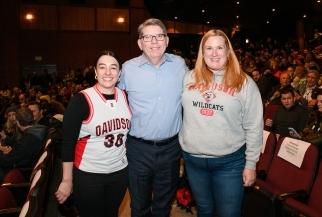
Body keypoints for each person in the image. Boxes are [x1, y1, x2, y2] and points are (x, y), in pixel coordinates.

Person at [178, 29, 263, 217]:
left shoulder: (245, 83)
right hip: (193, 161)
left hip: (229, 163)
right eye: (209, 48)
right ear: (202, 52)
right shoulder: (189, 78)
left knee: (229, 213)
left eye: (219, 48)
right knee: (205, 210)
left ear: (228, 51)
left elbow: (254, 127)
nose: (214, 53)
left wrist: (251, 164)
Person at [117, 18, 188, 217]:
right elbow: (113, 102)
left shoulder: (180, 65)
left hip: (171, 150)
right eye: (148, 37)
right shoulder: (127, 69)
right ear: (140, 43)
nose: (154, 41)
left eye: (159, 36)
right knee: (139, 207)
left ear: (167, 41)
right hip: (138, 150)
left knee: (163, 206)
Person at [55, 50, 132, 217]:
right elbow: (67, 143)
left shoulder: (126, 97)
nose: (108, 72)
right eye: (102, 67)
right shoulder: (81, 100)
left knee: (112, 213)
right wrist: (67, 180)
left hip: (119, 171)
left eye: (113, 67)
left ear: (119, 73)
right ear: (95, 72)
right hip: (89, 173)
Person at [0, 108, 47, 183]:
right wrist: (6, 139)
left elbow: (4, 162)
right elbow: (20, 145)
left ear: (17, 122)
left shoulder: (26, 141)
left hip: (21, 171)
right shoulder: (41, 129)